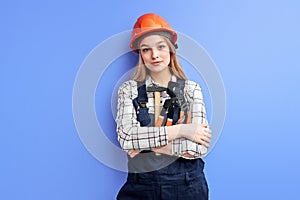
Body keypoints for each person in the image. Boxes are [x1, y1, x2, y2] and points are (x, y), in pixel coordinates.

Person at [115, 13, 212, 200]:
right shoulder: (128, 90)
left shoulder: (191, 90)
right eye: (146, 49)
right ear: (140, 54)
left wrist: (147, 146)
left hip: (188, 187)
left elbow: (197, 148)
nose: (154, 55)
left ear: (171, 48)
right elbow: (127, 138)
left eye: (160, 47)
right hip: (141, 188)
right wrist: (182, 130)